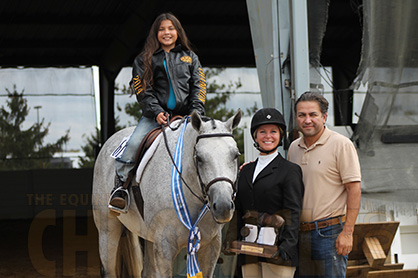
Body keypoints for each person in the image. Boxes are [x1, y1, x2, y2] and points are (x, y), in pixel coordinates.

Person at [108, 12, 207, 213]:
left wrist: (195, 112)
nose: (166, 32)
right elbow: (143, 90)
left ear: (178, 32)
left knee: (210, 145)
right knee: (134, 143)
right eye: (162, 29)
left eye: (171, 28)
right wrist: (156, 112)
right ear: (155, 34)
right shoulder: (144, 59)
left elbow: (199, 86)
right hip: (155, 117)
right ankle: (120, 188)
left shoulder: (190, 57)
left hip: (188, 116)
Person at [287, 91, 361, 278]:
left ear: (324, 116)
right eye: (302, 115)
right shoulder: (294, 148)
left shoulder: (341, 144)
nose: (307, 120)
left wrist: (347, 233)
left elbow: (354, 189)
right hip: (299, 234)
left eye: (313, 114)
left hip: (329, 234)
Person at [224, 108, 304, 278]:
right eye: (262, 132)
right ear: (255, 136)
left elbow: (293, 212)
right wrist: (230, 239)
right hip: (248, 251)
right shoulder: (245, 171)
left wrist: (287, 248)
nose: (268, 136)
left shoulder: (290, 171)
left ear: (280, 135)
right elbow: (238, 209)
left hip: (277, 252)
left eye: (273, 131)